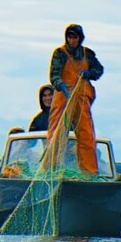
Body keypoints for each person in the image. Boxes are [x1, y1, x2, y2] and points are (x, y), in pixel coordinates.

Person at [47, 23, 104, 174]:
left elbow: (99, 70)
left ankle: (89, 171)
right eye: (70, 37)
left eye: (75, 37)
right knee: (56, 133)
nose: (72, 40)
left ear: (80, 38)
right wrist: (61, 85)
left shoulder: (88, 54)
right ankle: (51, 169)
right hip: (63, 99)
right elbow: (54, 75)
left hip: (81, 99)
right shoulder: (60, 53)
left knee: (86, 134)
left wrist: (89, 73)